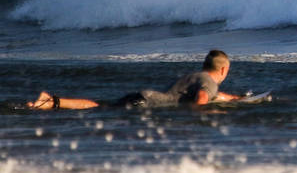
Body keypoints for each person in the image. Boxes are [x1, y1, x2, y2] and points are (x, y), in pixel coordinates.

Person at [26, 49, 242, 110]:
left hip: (144, 96)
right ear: (224, 69)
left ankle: (51, 101)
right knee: (97, 107)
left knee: (97, 105)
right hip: (144, 103)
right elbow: (203, 97)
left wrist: (234, 99)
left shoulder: (197, 76)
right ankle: (50, 102)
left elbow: (209, 94)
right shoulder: (208, 83)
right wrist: (200, 115)